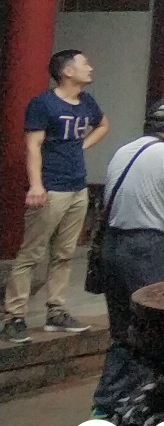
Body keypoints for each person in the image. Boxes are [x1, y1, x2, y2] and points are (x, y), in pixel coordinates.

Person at [92, 97, 164, 415]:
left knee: (122, 331)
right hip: (150, 248)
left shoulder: (124, 150)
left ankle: (107, 403)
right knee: (156, 327)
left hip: (114, 247)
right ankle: (145, 403)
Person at [5, 50, 107, 342]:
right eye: (83, 63)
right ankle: (14, 316)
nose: (90, 67)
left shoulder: (86, 102)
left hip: (78, 187)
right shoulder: (43, 104)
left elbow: (103, 124)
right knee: (31, 254)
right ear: (67, 72)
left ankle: (57, 311)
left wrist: (82, 146)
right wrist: (36, 185)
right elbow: (33, 147)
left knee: (64, 254)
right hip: (52, 186)